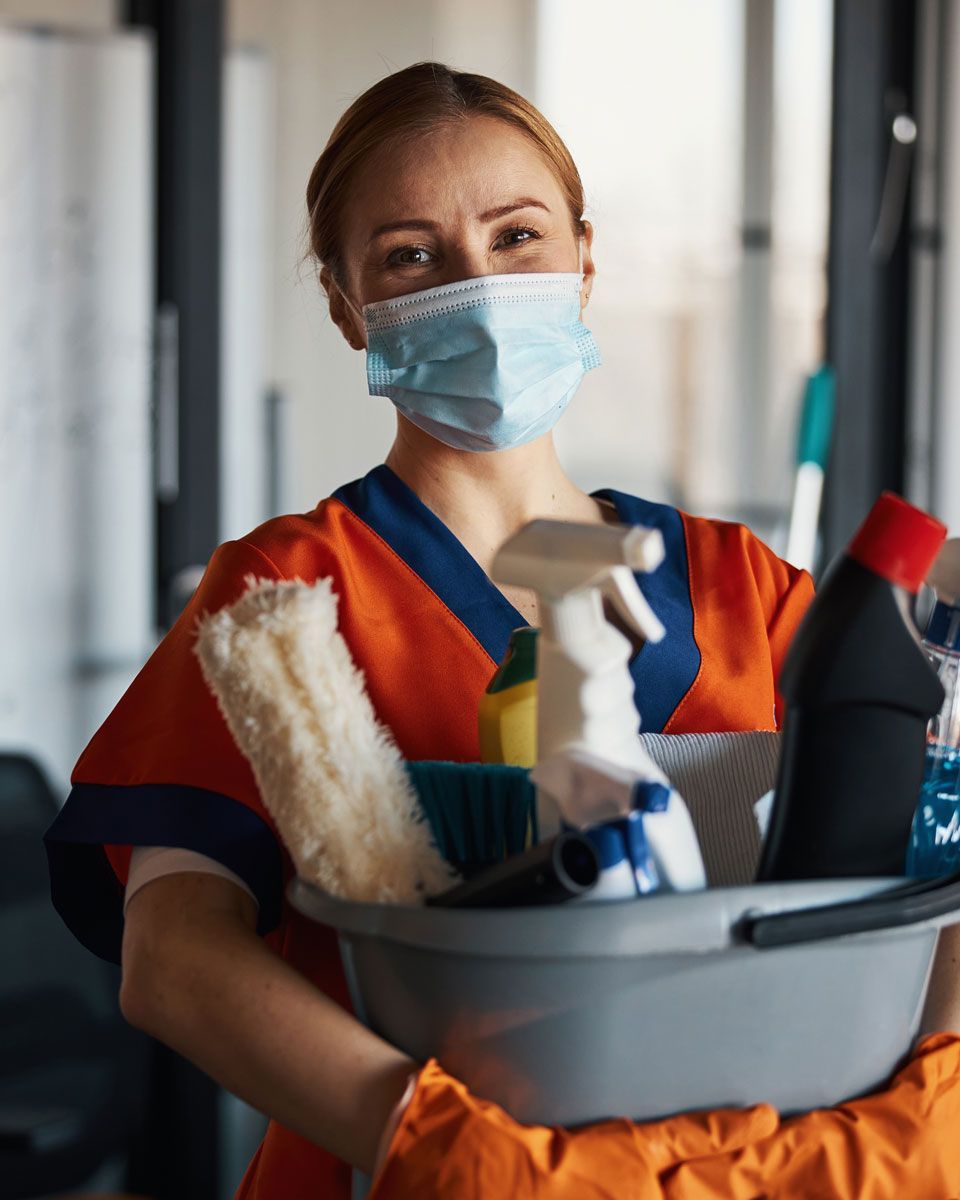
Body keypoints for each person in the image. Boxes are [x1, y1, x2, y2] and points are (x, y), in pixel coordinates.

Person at [45, 62, 960, 1199]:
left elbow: (912, 881)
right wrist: (440, 1148)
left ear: (584, 260)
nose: (477, 287)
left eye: (517, 236)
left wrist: (929, 1096)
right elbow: (174, 963)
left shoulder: (746, 588)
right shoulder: (284, 597)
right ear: (347, 304)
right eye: (412, 256)